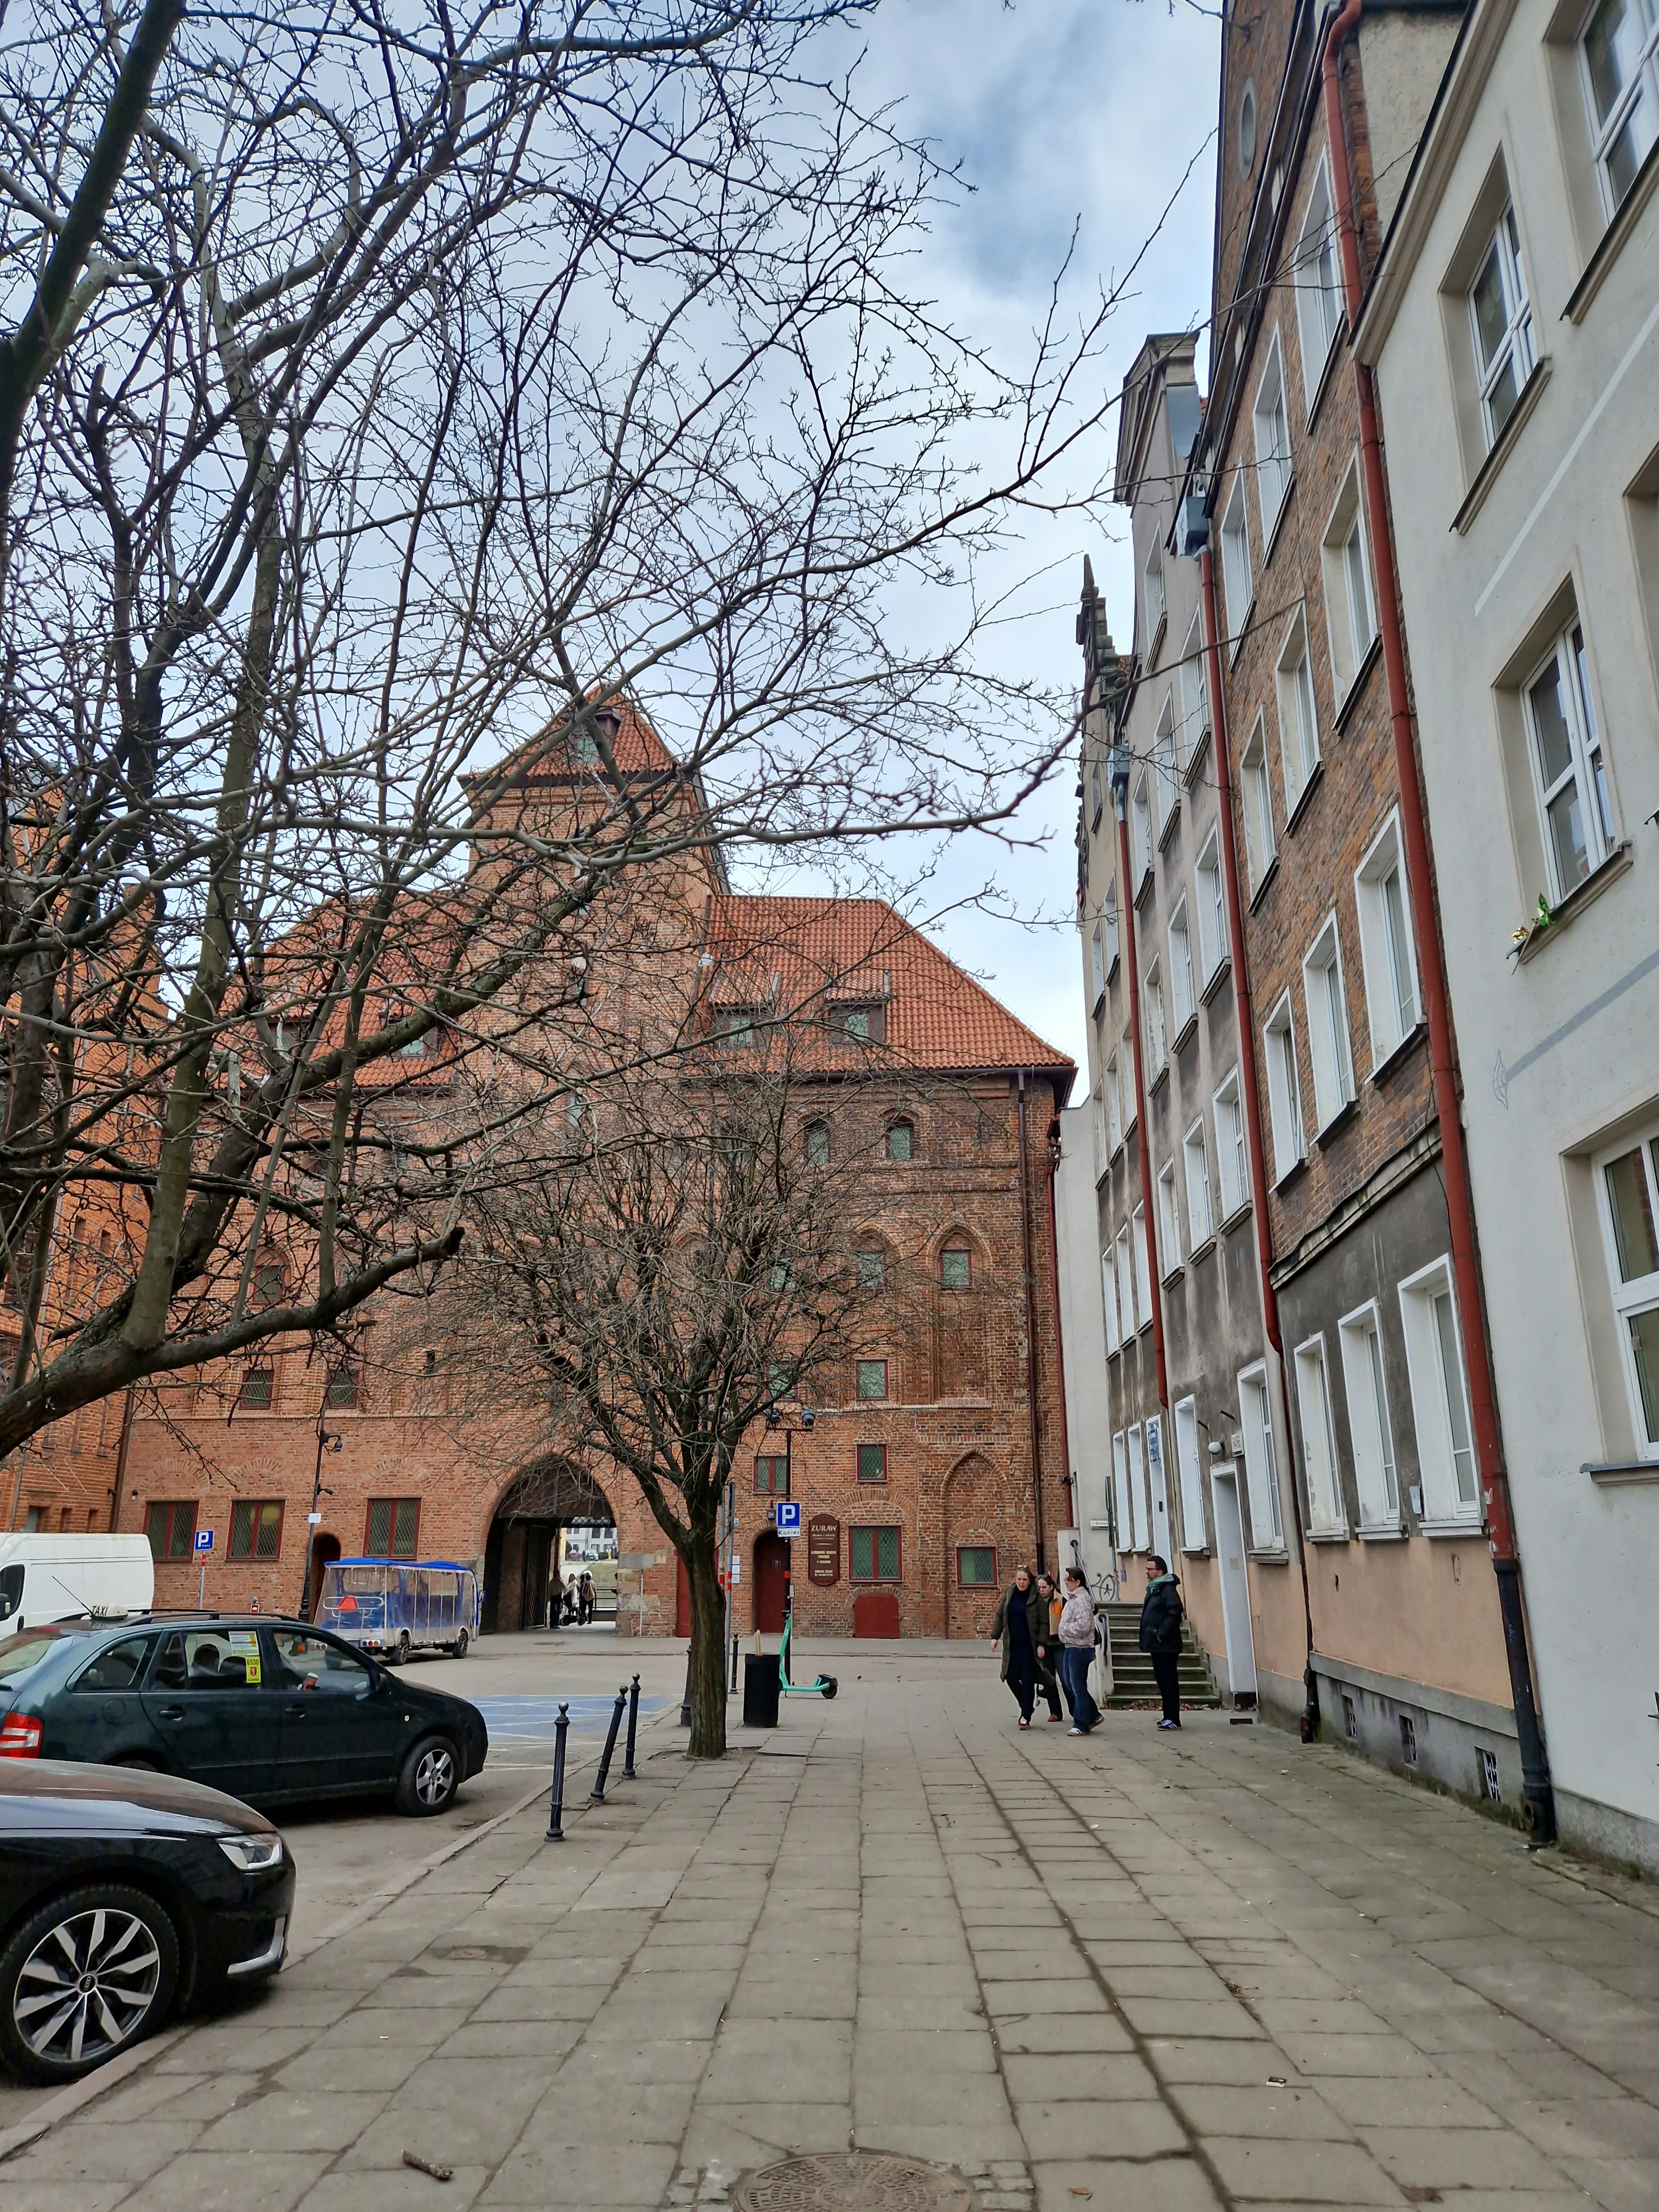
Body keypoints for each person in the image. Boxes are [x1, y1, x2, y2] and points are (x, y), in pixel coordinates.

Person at [992, 1565, 1044, 1729]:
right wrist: (995, 1637)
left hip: (1030, 1646)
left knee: (1028, 1679)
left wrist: (1042, 1644)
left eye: (1025, 1580)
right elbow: (1001, 1615)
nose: (1022, 1582)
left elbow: (1044, 1623)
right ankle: (1027, 1706)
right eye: (1019, 1579)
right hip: (1012, 1645)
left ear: (1030, 1581)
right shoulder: (1010, 1595)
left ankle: (1025, 1717)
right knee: (1010, 1676)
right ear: (1015, 1580)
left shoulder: (1036, 1597)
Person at [1139, 1555, 1185, 1729]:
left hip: (1166, 1645)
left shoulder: (1167, 1589)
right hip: (1157, 1645)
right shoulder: (1155, 1588)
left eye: (1149, 1569)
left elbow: (1175, 1613)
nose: (1147, 1572)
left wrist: (1161, 1633)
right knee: (1162, 1680)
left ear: (1159, 1572)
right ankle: (1167, 1716)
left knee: (1169, 1681)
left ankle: (1173, 1719)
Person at [1058, 1567, 1101, 1734]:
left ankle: (1081, 1723)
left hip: (1080, 1648)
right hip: (1071, 1646)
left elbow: (1083, 1626)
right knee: (1070, 1684)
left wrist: (1064, 1628)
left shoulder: (1082, 1600)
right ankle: (1094, 1715)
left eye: (1068, 1580)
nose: (1066, 1583)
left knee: (1077, 1686)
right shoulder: (1074, 1599)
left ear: (1078, 1582)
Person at [1033, 1572, 1069, 1723]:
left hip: (1059, 1644)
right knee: (1049, 1679)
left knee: (1066, 1679)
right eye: (1039, 1587)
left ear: (1051, 1587)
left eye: (1044, 1587)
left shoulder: (1061, 1600)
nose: (1041, 1590)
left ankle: (1075, 1711)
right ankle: (1055, 1712)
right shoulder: (1036, 1602)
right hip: (1045, 1645)